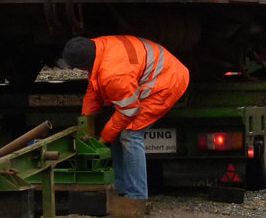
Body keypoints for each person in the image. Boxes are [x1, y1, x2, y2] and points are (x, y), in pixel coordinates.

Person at [62, 34, 190, 202]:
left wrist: (104, 137)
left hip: (166, 82)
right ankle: (120, 187)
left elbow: (129, 110)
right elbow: (94, 90)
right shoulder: (99, 46)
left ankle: (136, 197)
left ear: (84, 65)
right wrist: (87, 121)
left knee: (130, 135)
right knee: (118, 130)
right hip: (159, 72)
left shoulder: (113, 74)